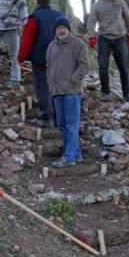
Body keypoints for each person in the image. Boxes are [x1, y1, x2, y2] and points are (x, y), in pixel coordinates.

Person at [46, 16, 90, 168]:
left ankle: (69, 157)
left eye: (64, 27)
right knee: (63, 125)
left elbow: (85, 66)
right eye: (59, 28)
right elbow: (48, 66)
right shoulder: (51, 46)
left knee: (71, 124)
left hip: (71, 91)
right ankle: (76, 154)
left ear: (69, 29)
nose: (61, 30)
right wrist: (50, 83)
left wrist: (73, 79)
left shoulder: (78, 44)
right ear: (55, 30)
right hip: (56, 91)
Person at [18, 0, 63, 128]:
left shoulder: (35, 17)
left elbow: (27, 38)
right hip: (59, 57)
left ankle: (46, 117)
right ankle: (58, 116)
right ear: (49, 1)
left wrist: (21, 57)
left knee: (43, 86)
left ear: (37, 1)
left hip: (40, 58)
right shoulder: (59, 16)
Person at [87, 0, 129, 102]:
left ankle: (127, 94)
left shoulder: (120, 2)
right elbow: (91, 23)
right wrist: (91, 36)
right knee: (103, 67)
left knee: (123, 67)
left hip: (120, 38)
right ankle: (105, 92)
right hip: (104, 38)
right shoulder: (96, 5)